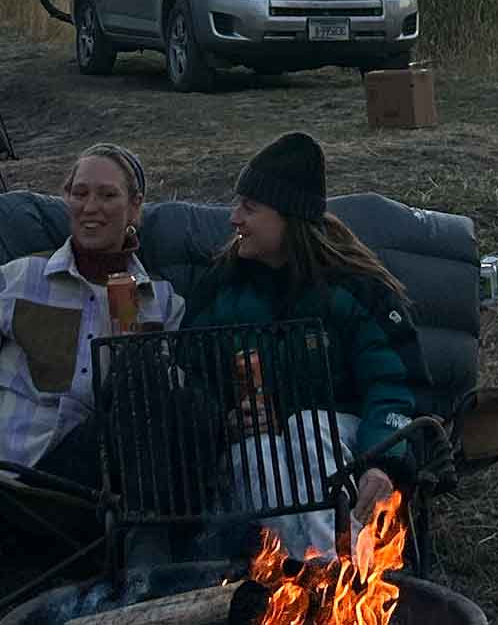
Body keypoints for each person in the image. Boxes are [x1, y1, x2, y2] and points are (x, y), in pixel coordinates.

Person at [0, 142, 184, 487]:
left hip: (104, 473)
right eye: (79, 193)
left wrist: (135, 349)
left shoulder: (158, 298)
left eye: (108, 196)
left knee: (153, 379)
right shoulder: (20, 278)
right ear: (66, 199)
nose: (90, 207)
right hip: (9, 470)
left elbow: (160, 404)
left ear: (135, 208)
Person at [182, 131, 427, 560]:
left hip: (349, 443)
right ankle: (295, 580)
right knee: (257, 451)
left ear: (289, 219)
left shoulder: (355, 290)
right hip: (261, 447)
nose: (233, 218)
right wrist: (227, 417)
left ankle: (340, 573)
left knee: (308, 427)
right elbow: (190, 375)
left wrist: (383, 460)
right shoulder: (221, 289)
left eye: (250, 208)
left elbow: (394, 384)